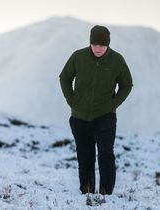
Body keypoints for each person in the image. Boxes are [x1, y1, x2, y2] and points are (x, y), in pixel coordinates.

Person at [59, 25, 133, 195]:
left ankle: (106, 195)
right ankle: (87, 193)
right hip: (79, 116)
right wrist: (72, 101)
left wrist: (112, 105)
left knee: (106, 154)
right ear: (90, 43)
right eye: (94, 44)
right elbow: (64, 78)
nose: (98, 48)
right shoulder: (78, 57)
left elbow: (127, 85)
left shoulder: (117, 60)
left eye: (102, 45)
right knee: (85, 156)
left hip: (105, 116)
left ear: (108, 44)